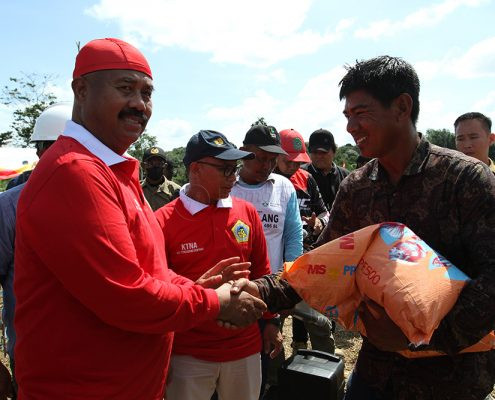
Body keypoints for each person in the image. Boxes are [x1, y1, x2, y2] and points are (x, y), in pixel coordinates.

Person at [13, 38, 266, 400]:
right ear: (81, 90)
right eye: (125, 88)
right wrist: (216, 302)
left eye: (147, 93)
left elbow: (150, 272)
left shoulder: (112, 170)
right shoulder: (75, 172)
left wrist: (198, 290)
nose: (139, 104)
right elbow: (127, 293)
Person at [155, 130, 281, 400]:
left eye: (234, 169)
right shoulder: (162, 222)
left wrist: (272, 322)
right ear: (195, 169)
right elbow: (158, 290)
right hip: (188, 353)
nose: (233, 177)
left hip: (244, 347)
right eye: (225, 169)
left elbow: (262, 271)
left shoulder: (246, 213)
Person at [0, 103, 72, 399]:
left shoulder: (105, 200)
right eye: (55, 148)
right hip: (33, 354)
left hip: (96, 356)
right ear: (40, 151)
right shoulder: (10, 205)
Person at [231, 124, 303, 399]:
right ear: (243, 153)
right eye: (260, 158)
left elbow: (293, 238)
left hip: (268, 294)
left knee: (260, 365)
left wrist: (290, 284)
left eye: (272, 159)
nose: (266, 165)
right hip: (230, 294)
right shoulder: (227, 186)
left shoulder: (284, 188)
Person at [275, 128, 334, 354]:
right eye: (288, 161)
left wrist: (319, 222)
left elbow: (324, 212)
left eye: (297, 162)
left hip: (306, 260)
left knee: (319, 322)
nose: (293, 167)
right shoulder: (265, 181)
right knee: (273, 323)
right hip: (275, 264)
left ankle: (326, 365)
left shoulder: (306, 178)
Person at [5, 104, 70, 190]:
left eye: (38, 146)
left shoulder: (18, 185)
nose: (37, 152)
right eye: (37, 146)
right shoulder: (19, 183)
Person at [302, 129, 349, 212]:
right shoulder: (300, 174)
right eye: (315, 152)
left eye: (324, 152)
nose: (319, 156)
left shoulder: (346, 176)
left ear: (334, 152)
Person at [141, 146, 180, 210]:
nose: (155, 167)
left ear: (165, 166)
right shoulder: (136, 189)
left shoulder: (176, 190)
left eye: (159, 164)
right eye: (150, 163)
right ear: (143, 166)